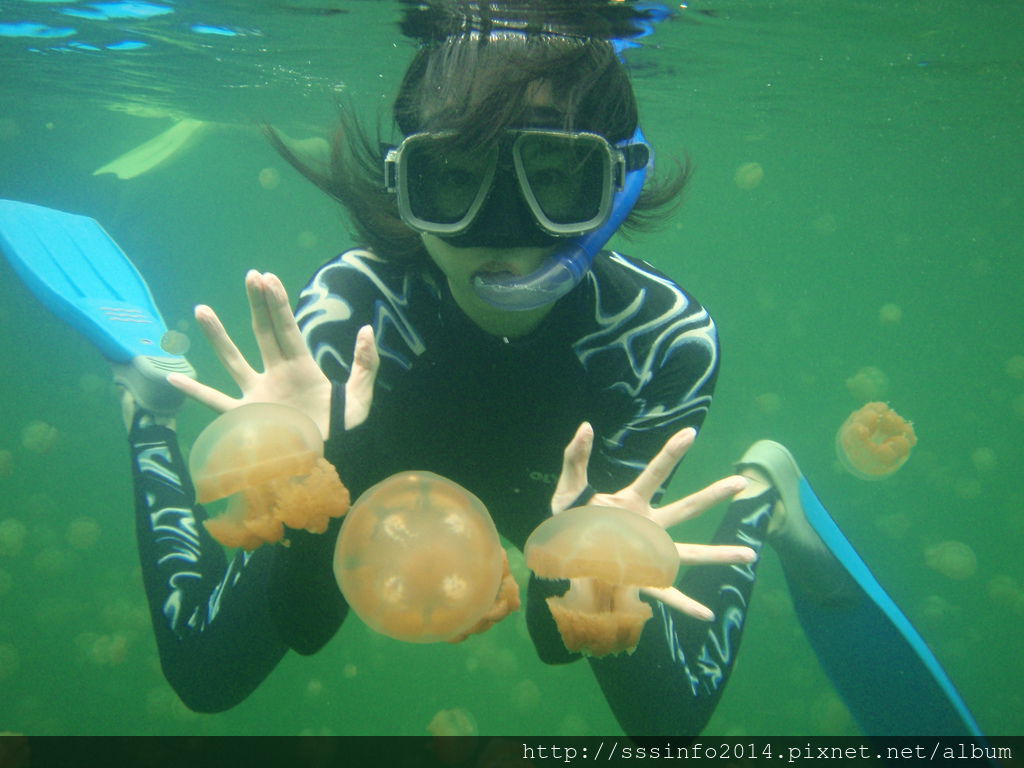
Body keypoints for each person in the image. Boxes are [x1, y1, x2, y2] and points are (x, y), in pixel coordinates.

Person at [119, 0, 988, 743]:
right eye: (451, 180)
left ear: (614, 189)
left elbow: (551, 636)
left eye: (557, 179)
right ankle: (145, 415)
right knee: (207, 672)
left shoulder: (664, 336)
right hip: (380, 471)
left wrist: (602, 556)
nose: (506, 231)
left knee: (665, 725)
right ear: (401, 188)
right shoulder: (349, 308)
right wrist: (301, 471)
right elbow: (307, 624)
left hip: (576, 496)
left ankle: (762, 490)